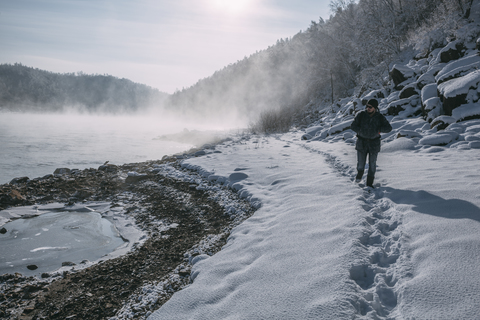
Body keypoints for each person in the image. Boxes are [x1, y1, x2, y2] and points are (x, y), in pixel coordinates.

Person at [350, 98, 392, 188]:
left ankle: (369, 184)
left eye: (370, 107)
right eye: (367, 106)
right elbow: (353, 126)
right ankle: (359, 176)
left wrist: (380, 130)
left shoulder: (380, 117)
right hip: (361, 143)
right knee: (361, 163)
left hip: (374, 144)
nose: (368, 108)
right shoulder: (361, 115)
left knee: (372, 165)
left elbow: (389, 128)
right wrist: (360, 131)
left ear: (375, 108)